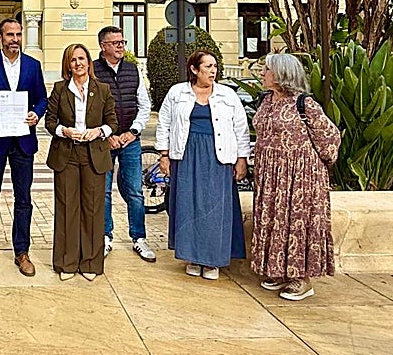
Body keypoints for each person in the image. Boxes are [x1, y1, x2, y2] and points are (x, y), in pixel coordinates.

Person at [250, 52, 341, 301]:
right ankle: (279, 271)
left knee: (297, 222)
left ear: (281, 74)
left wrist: (312, 166)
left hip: (300, 176)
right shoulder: (266, 101)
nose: (262, 74)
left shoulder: (305, 104)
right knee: (275, 220)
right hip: (271, 175)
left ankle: (302, 278)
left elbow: (330, 136)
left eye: (266, 70)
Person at [157, 51, 250, 281]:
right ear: (194, 69)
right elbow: (164, 122)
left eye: (215, 66)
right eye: (208, 66)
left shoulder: (227, 95)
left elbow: (241, 128)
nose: (213, 70)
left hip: (218, 157)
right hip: (186, 155)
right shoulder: (177, 92)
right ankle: (192, 256)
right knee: (188, 205)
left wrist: (242, 158)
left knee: (214, 208)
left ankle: (212, 260)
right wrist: (164, 154)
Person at [0, 18, 48, 279]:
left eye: (18, 34)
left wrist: (36, 114)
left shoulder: (33, 65)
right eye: (9, 35)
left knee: (23, 199)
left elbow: (41, 99)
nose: (14, 39)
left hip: (23, 141)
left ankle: (22, 251)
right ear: (0, 36)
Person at [45, 43, 116, 281]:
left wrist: (99, 132)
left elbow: (112, 123)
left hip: (94, 153)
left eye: (82, 58)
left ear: (89, 62)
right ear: (68, 64)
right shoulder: (59, 89)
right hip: (67, 153)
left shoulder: (102, 89)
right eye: (73, 60)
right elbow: (50, 121)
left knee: (93, 209)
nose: (78, 63)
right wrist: (64, 131)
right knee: (67, 208)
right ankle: (66, 262)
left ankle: (91, 263)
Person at [92, 25, 156, 262]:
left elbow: (144, 104)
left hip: (130, 139)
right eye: (116, 42)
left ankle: (139, 238)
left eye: (122, 42)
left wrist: (133, 131)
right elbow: (92, 109)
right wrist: (105, 134)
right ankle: (105, 237)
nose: (121, 46)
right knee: (104, 191)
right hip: (104, 141)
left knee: (135, 191)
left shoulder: (133, 70)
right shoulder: (93, 71)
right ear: (103, 46)